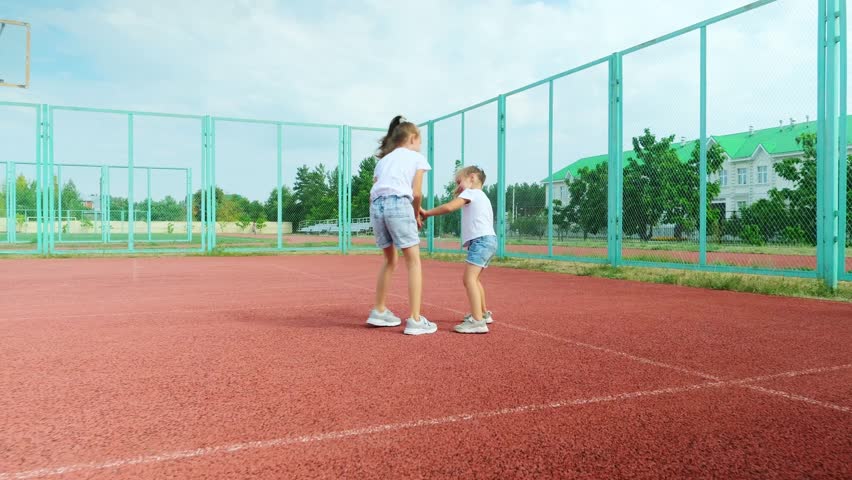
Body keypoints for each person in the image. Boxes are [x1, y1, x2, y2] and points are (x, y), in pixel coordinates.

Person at [365, 115, 437, 335]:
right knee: (413, 261)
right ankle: (415, 319)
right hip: (399, 203)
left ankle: (379, 310)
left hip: (376, 205)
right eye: (420, 141)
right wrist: (415, 215)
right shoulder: (417, 158)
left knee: (390, 260)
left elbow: (377, 189)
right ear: (413, 138)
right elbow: (416, 193)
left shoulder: (382, 161)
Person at [420, 165, 496, 334]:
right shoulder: (482, 196)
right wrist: (461, 189)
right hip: (489, 241)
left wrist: (427, 213)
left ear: (473, 178)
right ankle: (483, 314)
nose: (457, 186)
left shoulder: (471, 193)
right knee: (474, 280)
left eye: (458, 181)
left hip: (481, 241)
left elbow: (448, 207)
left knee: (468, 279)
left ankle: (477, 322)